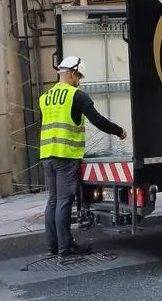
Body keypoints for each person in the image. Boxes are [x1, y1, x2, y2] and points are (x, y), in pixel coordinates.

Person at [39, 55, 126, 258]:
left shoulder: (45, 97)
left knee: (53, 201)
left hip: (47, 155)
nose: (80, 81)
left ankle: (52, 246)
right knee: (64, 201)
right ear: (71, 74)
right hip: (66, 156)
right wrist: (119, 131)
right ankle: (65, 248)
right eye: (79, 76)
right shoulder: (76, 96)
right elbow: (97, 120)